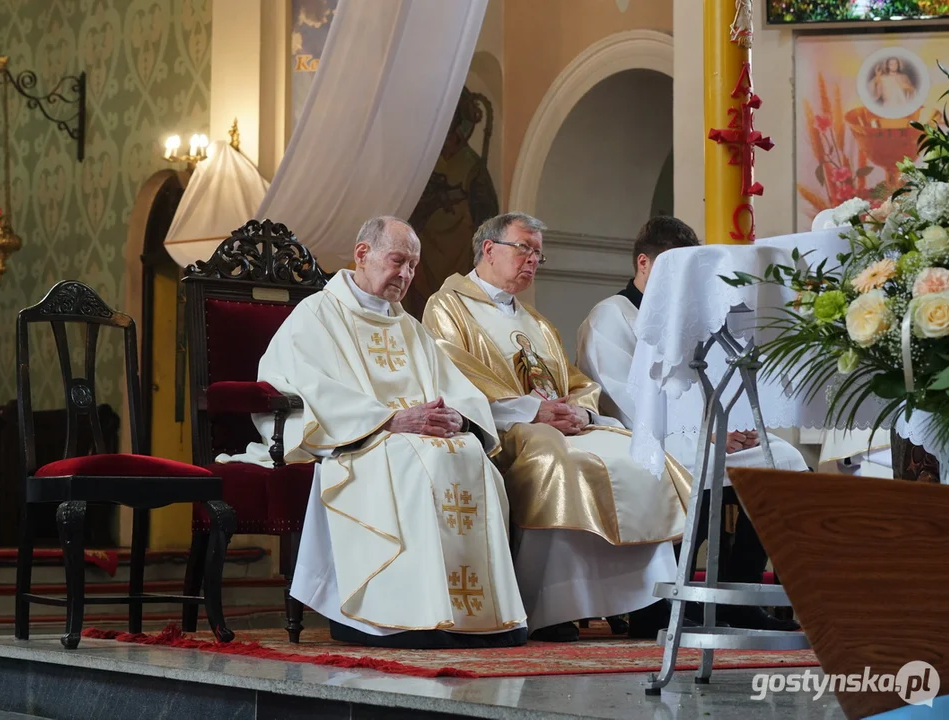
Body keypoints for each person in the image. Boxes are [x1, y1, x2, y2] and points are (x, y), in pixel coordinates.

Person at [220, 216, 526, 649]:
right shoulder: (317, 315)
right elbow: (299, 386)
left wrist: (460, 418)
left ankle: (473, 615)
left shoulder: (408, 326)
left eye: (413, 266)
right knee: (422, 461)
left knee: (468, 455)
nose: (405, 275)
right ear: (363, 254)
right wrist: (388, 421)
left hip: (411, 437)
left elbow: (457, 390)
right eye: (398, 260)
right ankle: (391, 614)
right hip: (354, 442)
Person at [422, 212, 692, 642]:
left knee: (640, 456)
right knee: (554, 459)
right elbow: (455, 376)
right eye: (524, 248)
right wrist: (533, 411)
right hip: (499, 430)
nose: (532, 260)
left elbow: (578, 383)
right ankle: (551, 605)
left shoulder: (536, 322)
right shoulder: (447, 307)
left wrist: (582, 413)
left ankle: (649, 603)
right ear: (489, 249)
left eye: (538, 254)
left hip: (561, 425)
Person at [576, 216, 806, 631]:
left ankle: (740, 588)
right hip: (643, 437)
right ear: (643, 264)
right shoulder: (610, 317)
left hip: (705, 433)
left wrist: (730, 426)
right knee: (696, 466)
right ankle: (666, 594)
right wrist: (709, 434)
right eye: (671, 268)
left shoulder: (687, 316)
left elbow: (715, 380)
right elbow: (624, 399)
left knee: (783, 458)